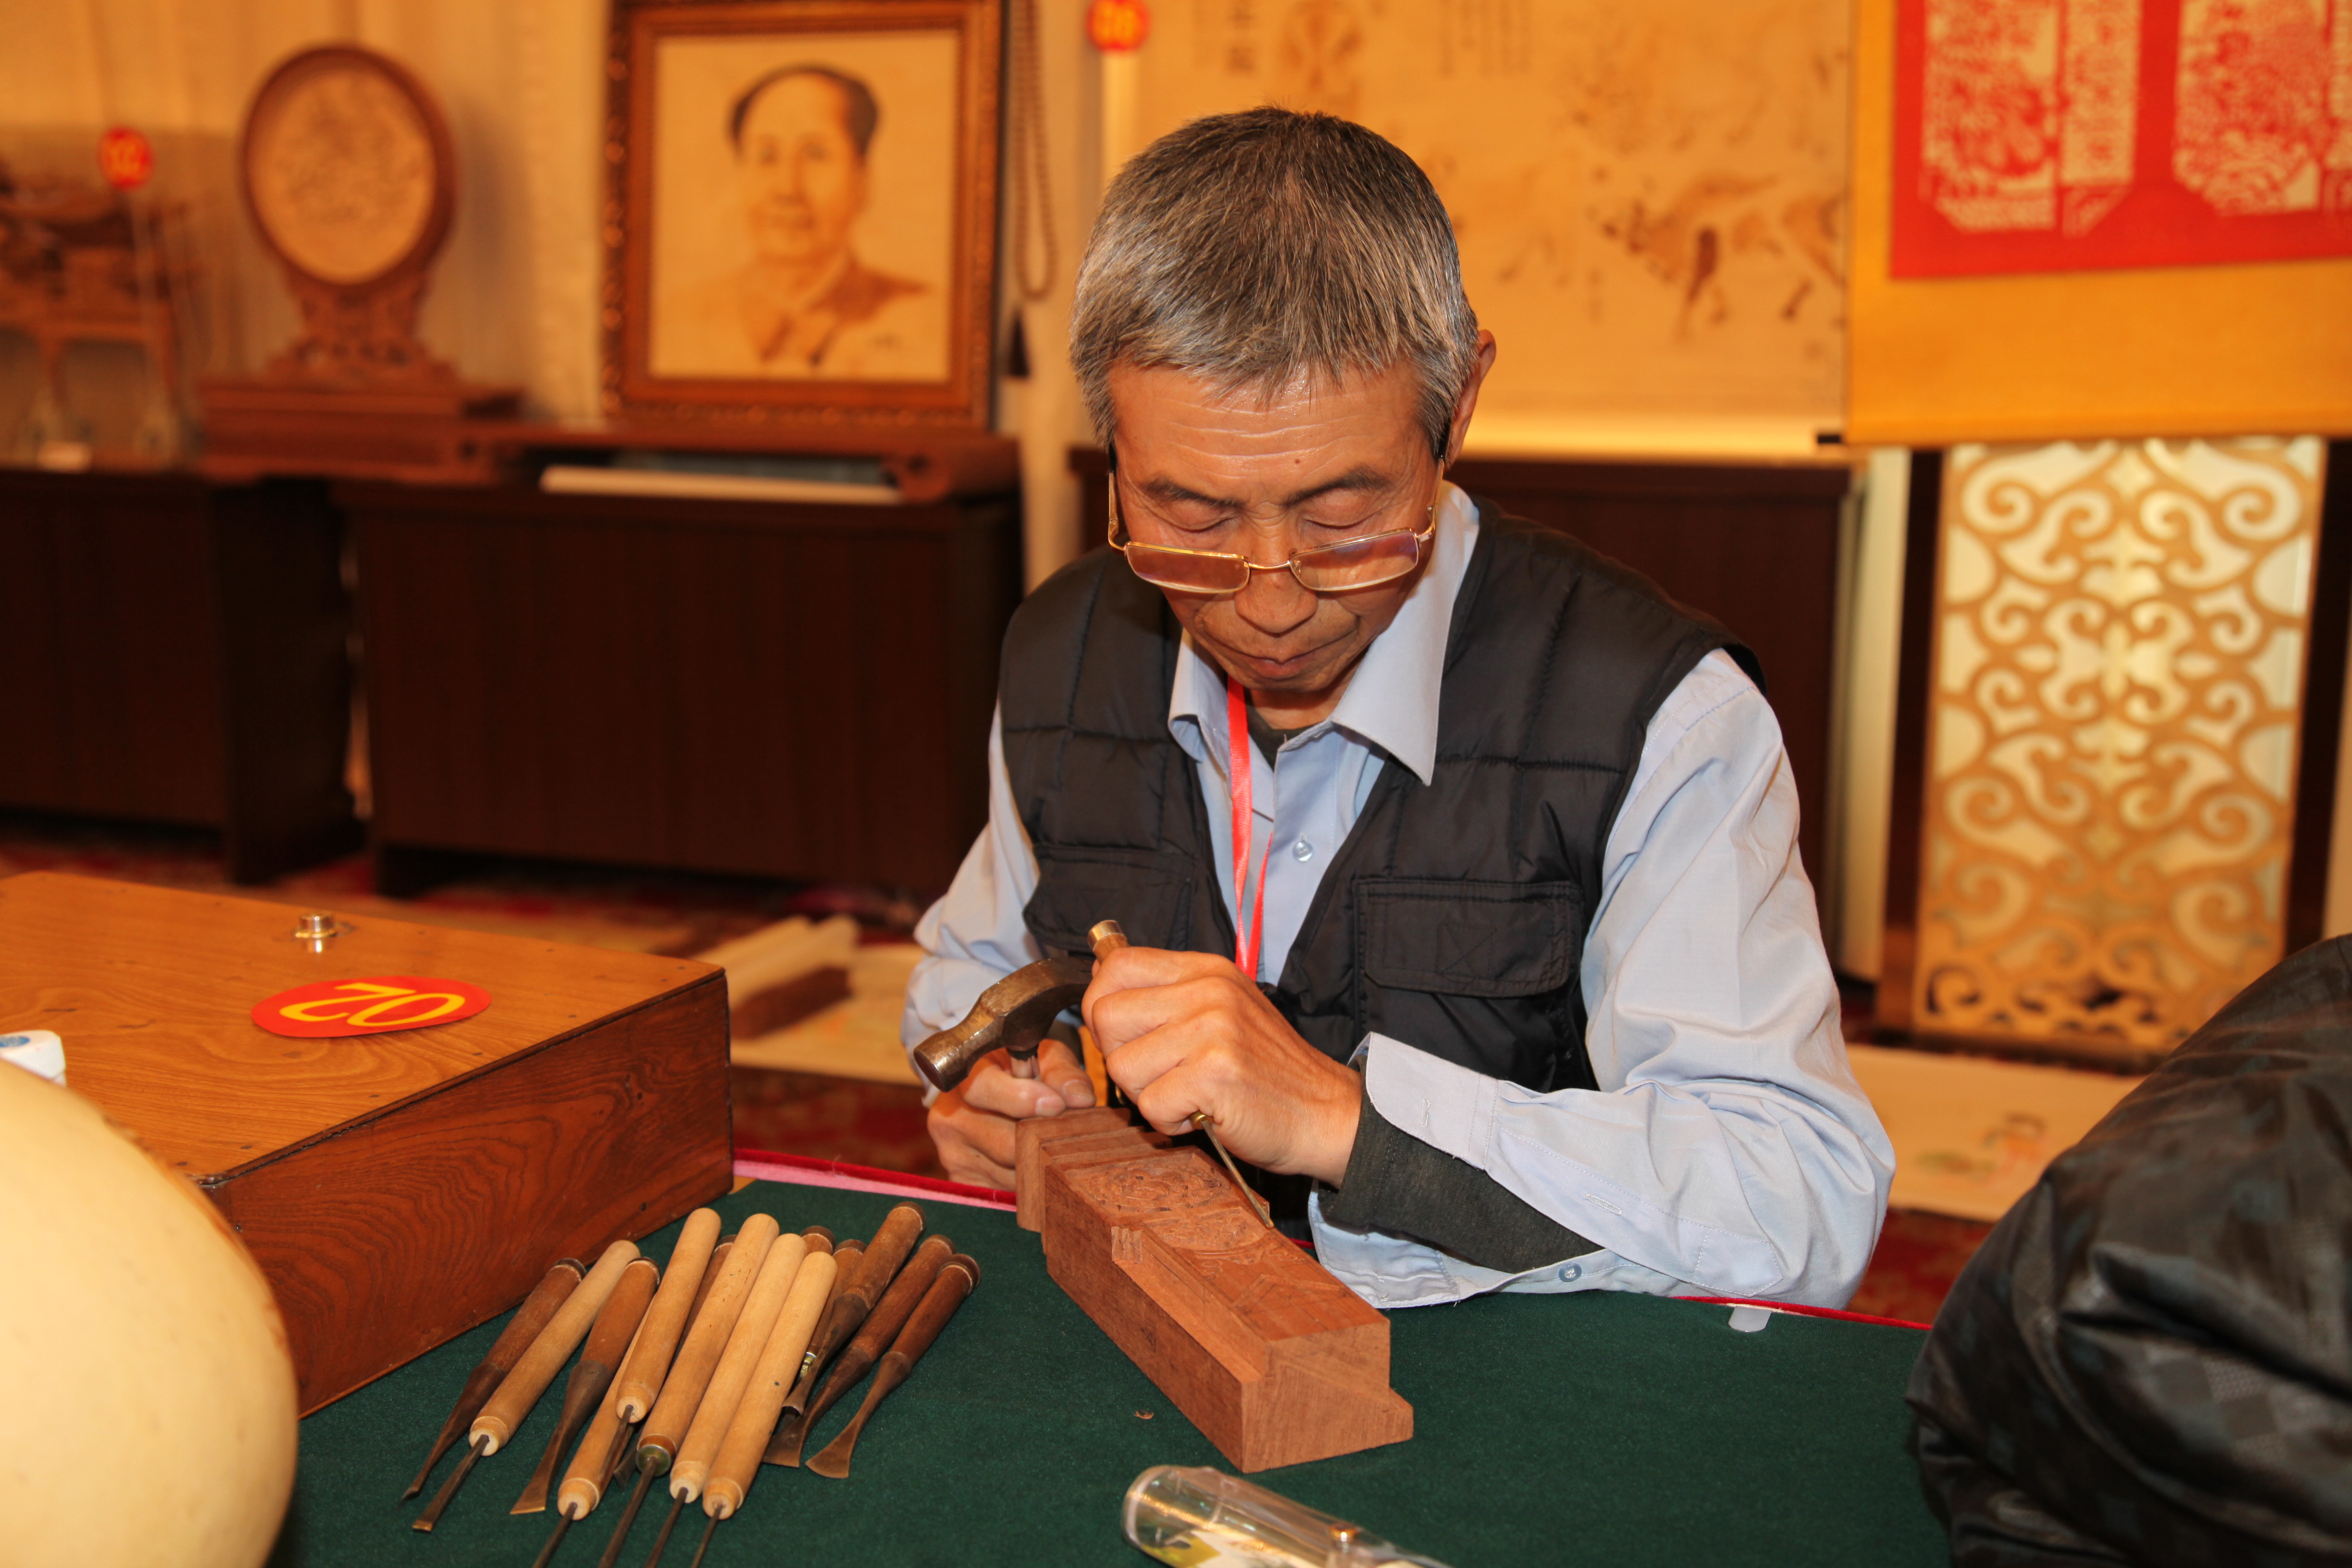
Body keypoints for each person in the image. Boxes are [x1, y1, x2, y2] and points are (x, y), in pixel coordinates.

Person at [903, 108, 1893, 1309]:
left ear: (1459, 404)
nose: (1269, 601)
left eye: (1341, 515)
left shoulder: (1658, 714)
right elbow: (970, 974)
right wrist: (998, 1094)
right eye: (1191, 517)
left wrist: (1345, 1121)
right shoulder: (1062, 649)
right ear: (1109, 444)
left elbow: (1798, 1198)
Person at [655, 63, 944, 380]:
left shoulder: (931, 324)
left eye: (816, 154)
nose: (787, 189)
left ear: (862, 179)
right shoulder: (673, 327)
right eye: (766, 156)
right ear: (738, 174)